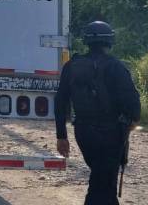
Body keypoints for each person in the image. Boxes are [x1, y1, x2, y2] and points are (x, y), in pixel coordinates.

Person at [54, 21, 141, 205]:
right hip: (111, 132)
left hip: (83, 132)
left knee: (103, 180)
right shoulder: (115, 66)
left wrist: (61, 136)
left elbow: (60, 101)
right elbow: (132, 101)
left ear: (86, 41)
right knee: (102, 183)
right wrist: (131, 123)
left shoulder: (71, 66)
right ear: (109, 41)